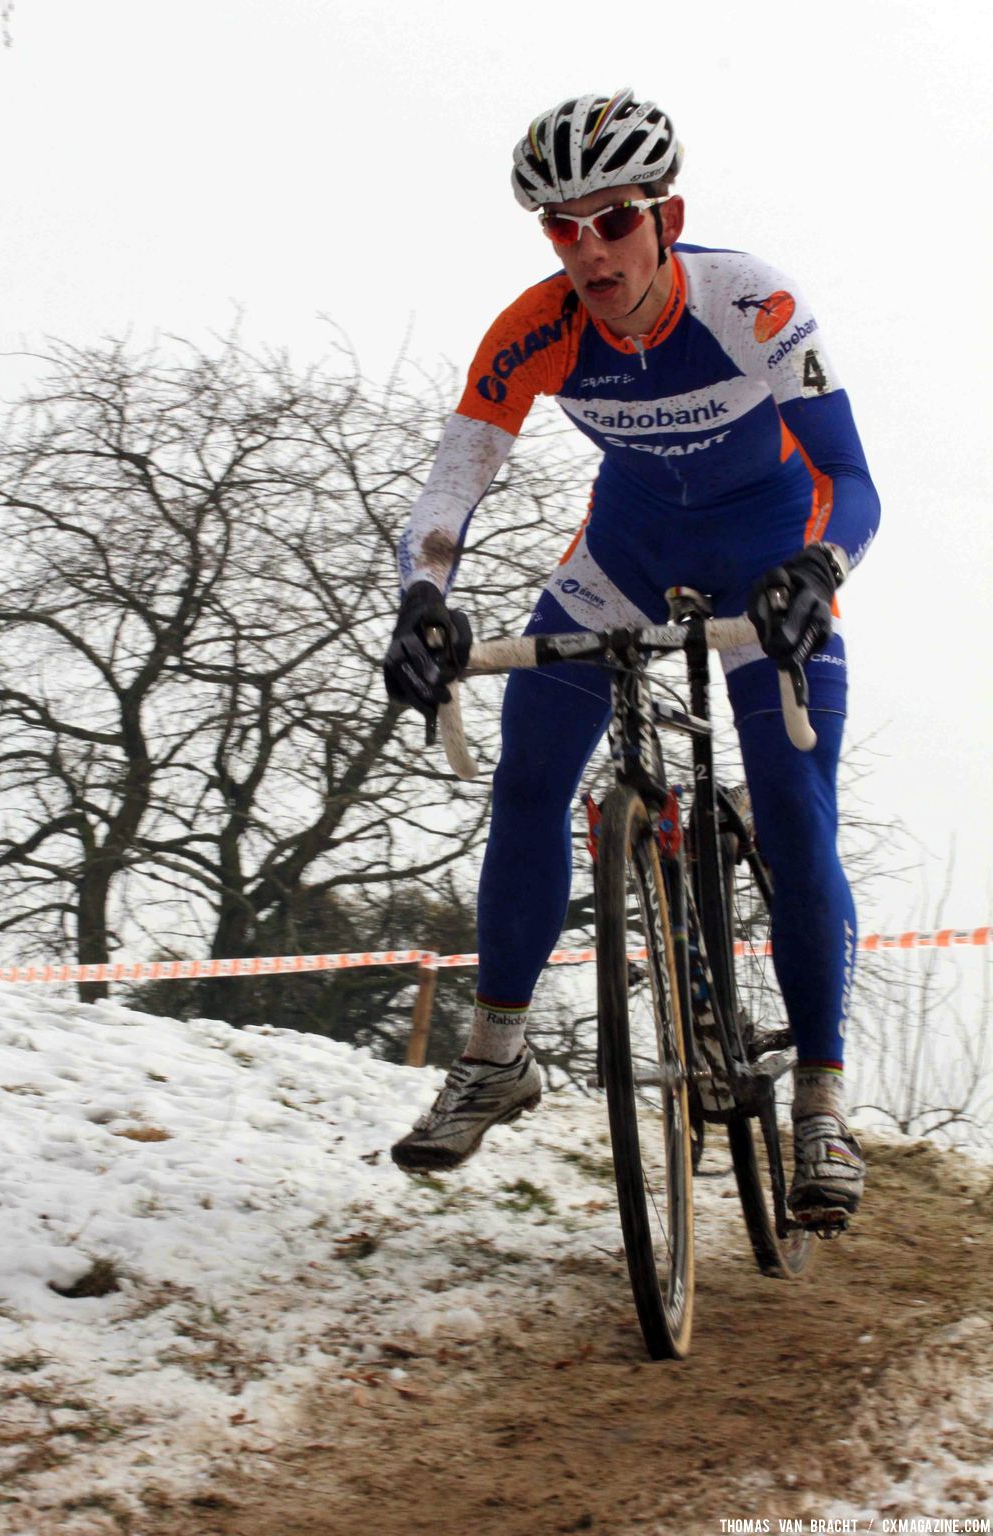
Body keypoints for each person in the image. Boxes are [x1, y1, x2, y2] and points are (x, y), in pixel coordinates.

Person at [383, 89, 879, 1227]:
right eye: (561, 227)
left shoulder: (751, 301)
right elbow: (450, 485)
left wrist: (821, 573)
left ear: (666, 216)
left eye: (612, 219)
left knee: (799, 811)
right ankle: (497, 1055)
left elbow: (852, 481)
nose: (587, 249)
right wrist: (422, 601)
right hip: (623, 555)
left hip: (772, 564)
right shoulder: (535, 326)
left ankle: (820, 1104)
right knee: (528, 773)